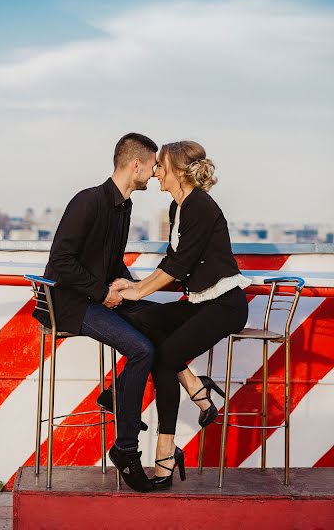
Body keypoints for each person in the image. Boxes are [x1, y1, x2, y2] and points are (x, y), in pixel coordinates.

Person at [112, 140, 250, 489]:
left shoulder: (200, 206)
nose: (155, 171)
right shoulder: (178, 209)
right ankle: (196, 388)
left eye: (160, 166)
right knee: (140, 317)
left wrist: (137, 289)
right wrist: (135, 288)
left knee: (164, 357)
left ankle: (165, 454)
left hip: (224, 305)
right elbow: (171, 262)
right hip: (198, 302)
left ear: (177, 171)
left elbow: (180, 264)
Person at [33, 133, 158, 492]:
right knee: (142, 349)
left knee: (156, 321)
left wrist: (130, 288)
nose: (153, 174)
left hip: (95, 297)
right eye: (150, 166)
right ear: (135, 165)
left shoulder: (124, 205)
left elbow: (110, 259)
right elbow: (61, 262)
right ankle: (126, 451)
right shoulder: (88, 201)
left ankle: (116, 394)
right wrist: (103, 293)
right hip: (69, 304)